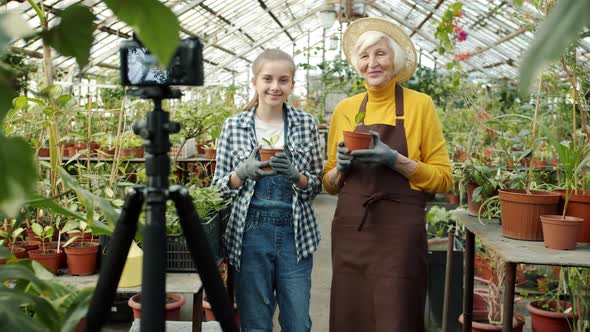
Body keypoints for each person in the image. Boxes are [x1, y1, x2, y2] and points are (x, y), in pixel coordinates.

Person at [322, 18, 452, 331]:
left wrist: (394, 159)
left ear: (394, 59)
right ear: (357, 63)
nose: (372, 63)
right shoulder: (346, 109)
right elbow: (329, 184)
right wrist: (339, 169)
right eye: (364, 56)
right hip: (353, 227)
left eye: (380, 54)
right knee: (350, 312)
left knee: (397, 313)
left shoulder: (420, 105)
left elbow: (444, 178)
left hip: (399, 232)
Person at [212, 49, 323, 332]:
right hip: (250, 235)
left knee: (297, 322)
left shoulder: (306, 124)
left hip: (295, 234)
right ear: (255, 82)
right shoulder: (234, 126)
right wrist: (241, 174)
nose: (275, 86)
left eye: (283, 80)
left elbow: (316, 185)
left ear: (292, 85)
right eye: (268, 78)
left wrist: (298, 177)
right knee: (255, 323)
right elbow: (217, 189)